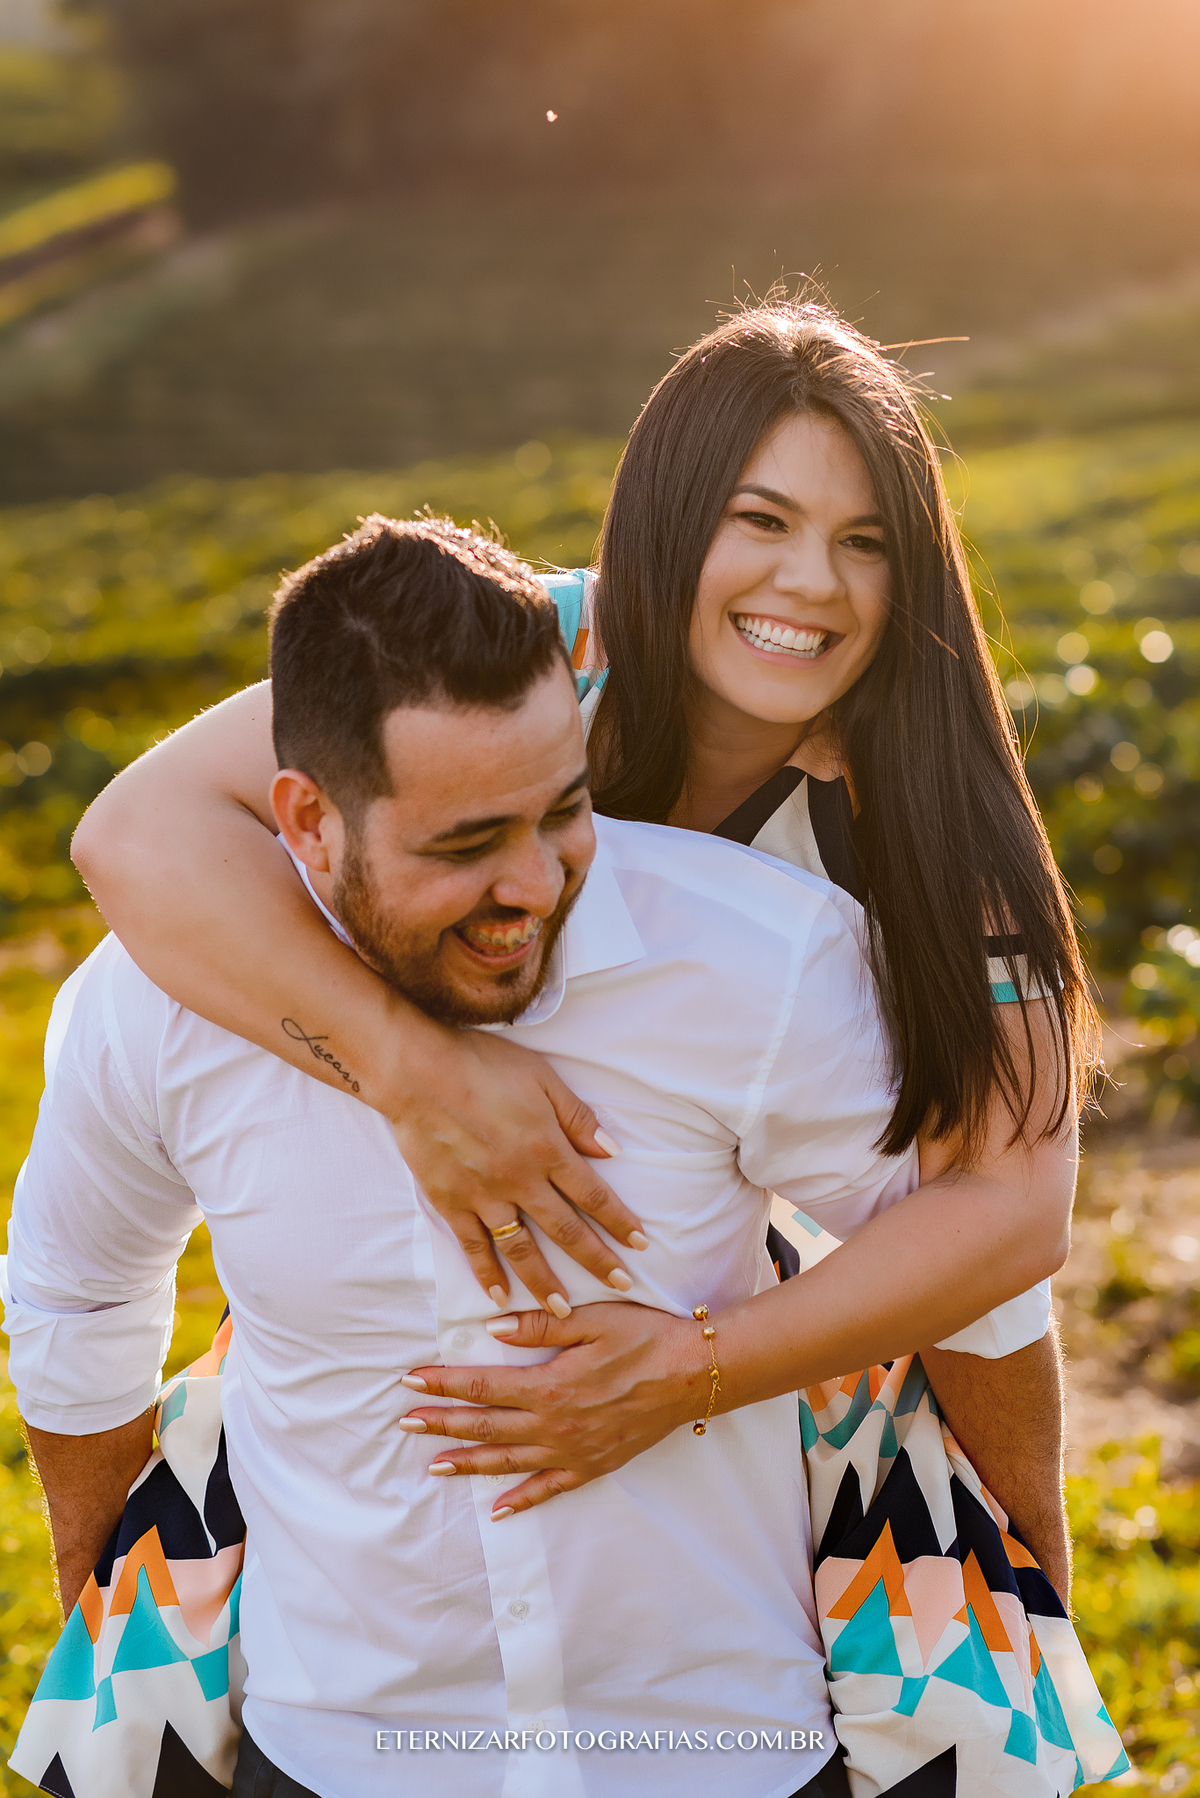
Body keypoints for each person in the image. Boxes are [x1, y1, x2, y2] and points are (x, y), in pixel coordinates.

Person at [6, 515, 1068, 1798]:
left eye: (562, 813)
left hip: (729, 1749)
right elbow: (77, 1289)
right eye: (464, 845)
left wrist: (1028, 1558)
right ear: (310, 820)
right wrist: (102, 1610)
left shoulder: (764, 960)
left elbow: (976, 1238)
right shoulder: (153, 1007)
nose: (535, 885)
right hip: (332, 1749)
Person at [71, 299, 1093, 1591]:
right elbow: (135, 830)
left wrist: (700, 1373)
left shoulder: (931, 806)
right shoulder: (542, 647)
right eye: (760, 521)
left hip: (730, 1256)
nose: (812, 585)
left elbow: (1009, 1216)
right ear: (668, 519)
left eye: (866, 543)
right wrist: (416, 1073)